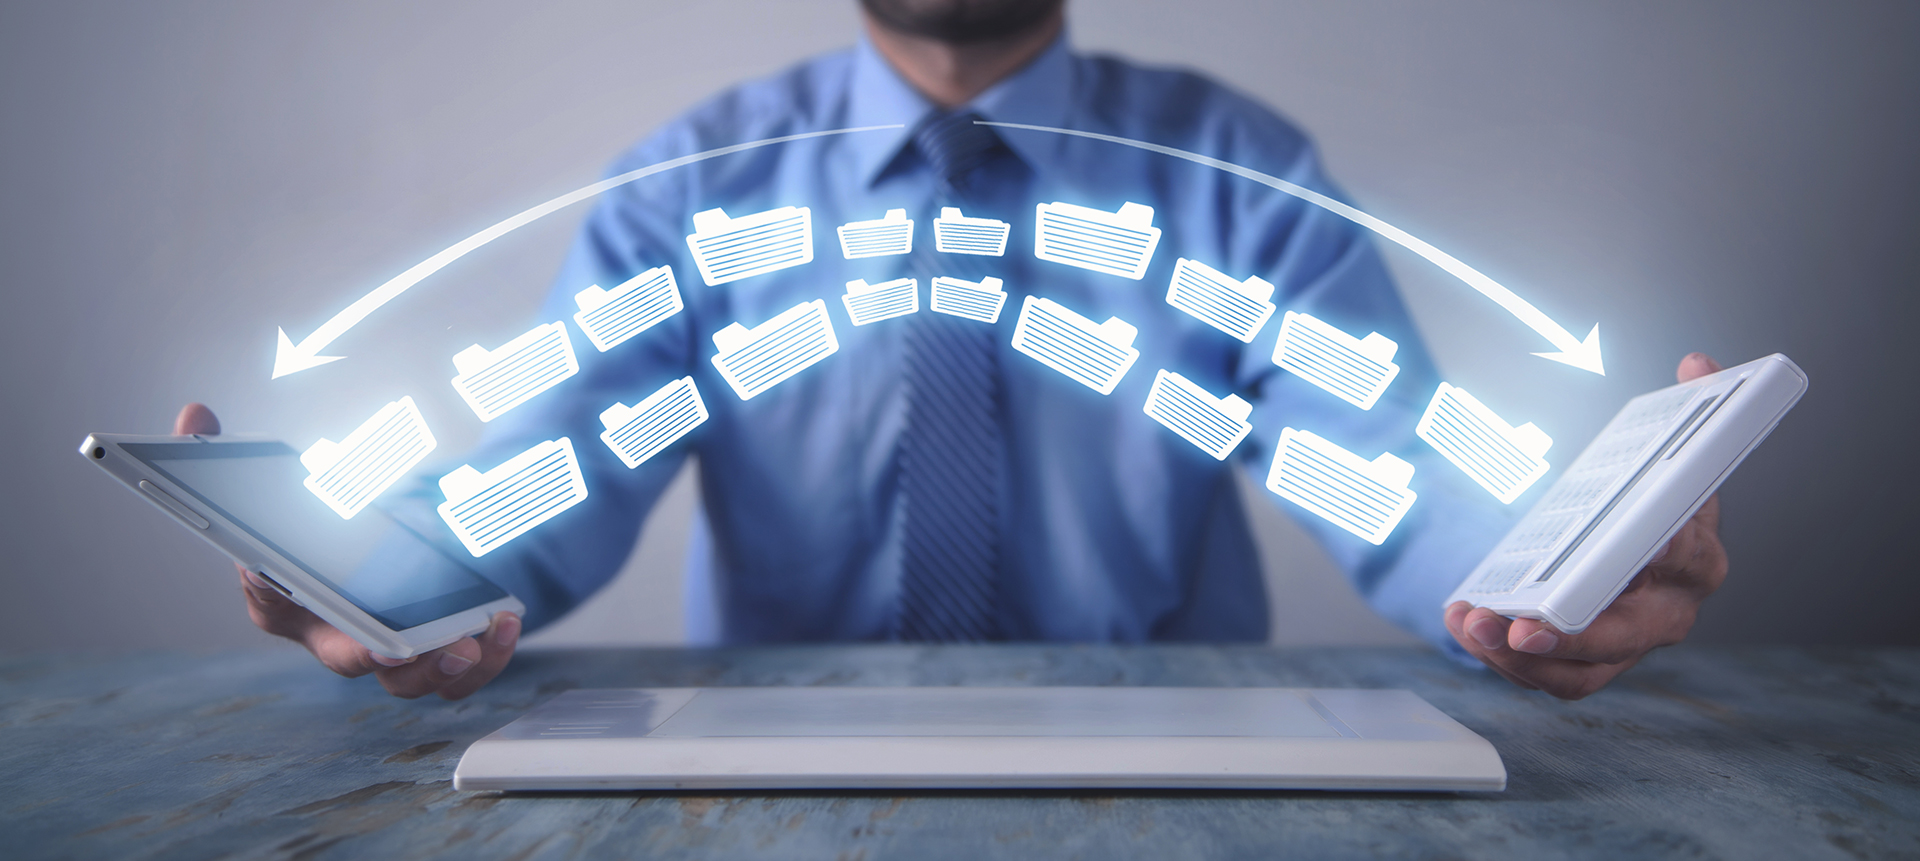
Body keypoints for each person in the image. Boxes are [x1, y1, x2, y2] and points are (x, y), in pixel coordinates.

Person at [177, 0, 1728, 703]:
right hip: (768, 781)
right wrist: (392, 582)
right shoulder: (693, 183)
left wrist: (1552, 576)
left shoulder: (1238, 170)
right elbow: (558, 468)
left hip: (1182, 772)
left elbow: (1390, 464)